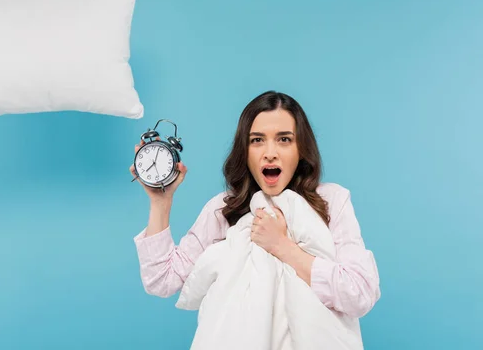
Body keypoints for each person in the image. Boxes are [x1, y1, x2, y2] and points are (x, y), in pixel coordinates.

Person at [129, 90, 381, 321]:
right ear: (244, 150)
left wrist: (282, 247)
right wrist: (161, 201)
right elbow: (161, 281)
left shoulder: (332, 201)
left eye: (284, 139)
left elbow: (361, 292)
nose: (270, 152)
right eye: (257, 140)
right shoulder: (223, 208)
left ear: (301, 149)